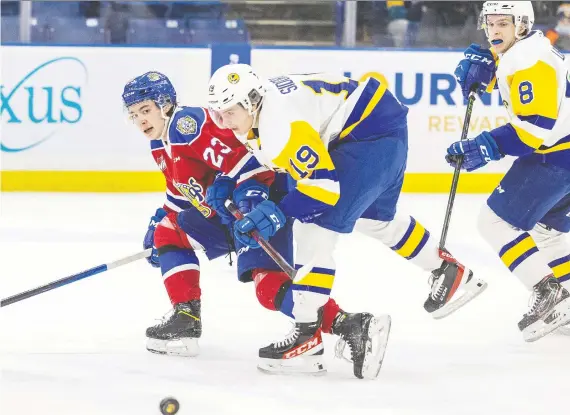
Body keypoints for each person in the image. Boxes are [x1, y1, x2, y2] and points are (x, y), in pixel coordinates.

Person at [206, 64, 486, 375]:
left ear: (250, 102)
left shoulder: (278, 124)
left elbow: (323, 189)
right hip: (377, 129)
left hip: (368, 138)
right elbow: (272, 153)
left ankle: (306, 334)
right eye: (217, 114)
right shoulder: (261, 109)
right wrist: (229, 176)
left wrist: (278, 212)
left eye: (228, 112)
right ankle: (447, 269)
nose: (222, 122)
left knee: (315, 226)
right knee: (373, 219)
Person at [122, 71, 385, 378]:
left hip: (260, 202)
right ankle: (185, 318)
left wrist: (250, 203)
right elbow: (181, 193)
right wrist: (158, 220)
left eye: (145, 110)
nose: (140, 120)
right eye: (133, 114)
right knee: (168, 231)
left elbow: (249, 162)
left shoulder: (185, 126)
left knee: (268, 287)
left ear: (165, 105)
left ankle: (349, 325)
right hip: (227, 213)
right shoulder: (159, 143)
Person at [450, 1, 570, 342]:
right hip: (566, 150)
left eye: (504, 23)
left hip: (557, 154)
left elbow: (533, 129)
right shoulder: (529, 50)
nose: (495, 31)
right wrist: (490, 66)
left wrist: (483, 146)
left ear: (522, 25)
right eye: (490, 24)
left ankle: (550, 294)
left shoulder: (528, 59)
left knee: (494, 221)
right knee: (547, 232)